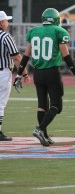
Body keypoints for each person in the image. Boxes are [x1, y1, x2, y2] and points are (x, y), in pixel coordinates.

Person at [15, 8, 75, 146]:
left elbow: (26, 56)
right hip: (52, 72)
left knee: (42, 106)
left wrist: (18, 75)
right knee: (57, 106)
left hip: (37, 73)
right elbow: (66, 55)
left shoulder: (33, 31)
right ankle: (40, 129)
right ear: (56, 19)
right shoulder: (59, 31)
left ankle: (44, 135)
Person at [0, 11, 30, 141]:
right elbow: (17, 57)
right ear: (1, 22)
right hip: (3, 72)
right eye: (6, 20)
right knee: (1, 103)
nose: (8, 22)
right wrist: (25, 74)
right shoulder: (6, 37)